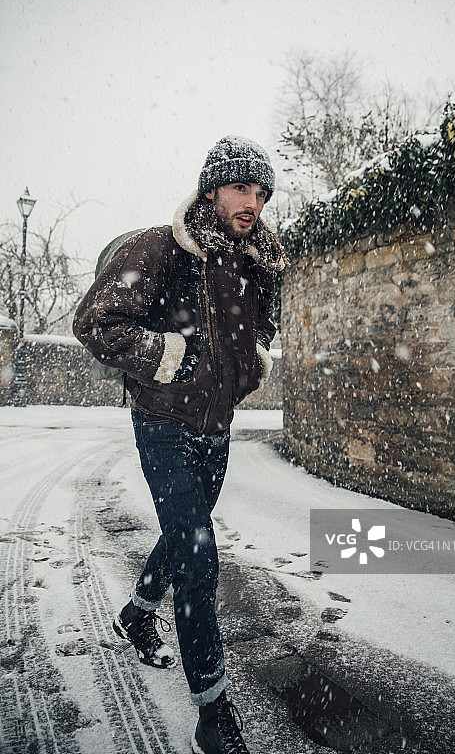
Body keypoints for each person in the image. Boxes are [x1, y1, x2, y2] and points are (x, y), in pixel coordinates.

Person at [73, 136, 287, 754]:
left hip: (216, 426)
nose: (254, 202)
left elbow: (251, 331)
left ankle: (139, 611)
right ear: (212, 189)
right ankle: (213, 714)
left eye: (261, 191)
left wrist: (249, 368)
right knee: (198, 556)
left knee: (183, 531)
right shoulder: (163, 248)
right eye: (242, 187)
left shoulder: (253, 259)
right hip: (162, 423)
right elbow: (95, 321)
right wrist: (166, 356)